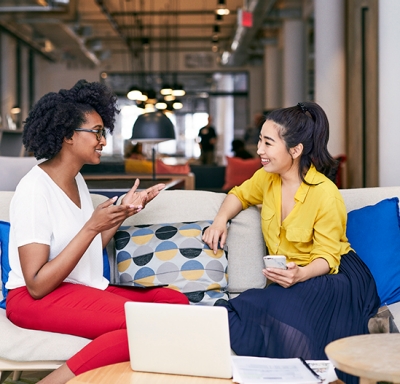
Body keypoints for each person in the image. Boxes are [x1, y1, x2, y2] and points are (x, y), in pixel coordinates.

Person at [5, 79, 189, 384]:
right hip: (32, 299)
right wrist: (91, 225)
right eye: (97, 132)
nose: (103, 141)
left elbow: (85, 249)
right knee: (147, 325)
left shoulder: (77, 180)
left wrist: (122, 214)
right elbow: (36, 284)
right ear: (67, 135)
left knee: (175, 304)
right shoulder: (34, 190)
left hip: (78, 286)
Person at [202, 102, 380, 384]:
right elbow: (239, 194)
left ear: (295, 150)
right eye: (260, 140)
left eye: (268, 142)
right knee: (230, 311)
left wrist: (300, 274)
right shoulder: (267, 179)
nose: (259, 150)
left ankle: (306, 375)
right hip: (297, 276)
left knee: (282, 310)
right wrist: (220, 220)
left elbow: (327, 258)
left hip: (335, 275)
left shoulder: (325, 194)